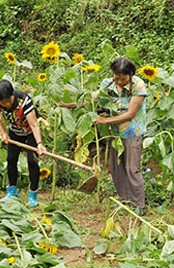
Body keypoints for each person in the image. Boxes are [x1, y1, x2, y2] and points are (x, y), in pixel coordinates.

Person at [62, 57, 147, 214]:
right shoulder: (108, 84)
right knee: (117, 168)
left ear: (131, 74)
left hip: (132, 132)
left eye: (123, 77)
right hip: (114, 133)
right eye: (117, 76)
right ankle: (124, 199)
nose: (119, 81)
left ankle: (139, 204)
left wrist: (104, 120)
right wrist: (67, 105)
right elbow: (90, 100)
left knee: (132, 168)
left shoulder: (139, 86)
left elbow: (131, 114)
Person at [0, 79, 47, 207]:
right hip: (15, 131)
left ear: (12, 94)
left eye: (8, 101)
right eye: (3, 102)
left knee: (32, 161)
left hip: (30, 132)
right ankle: (12, 191)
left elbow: (34, 125)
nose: (6, 105)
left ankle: (33, 195)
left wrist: (39, 144)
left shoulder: (24, 101)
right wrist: (3, 133)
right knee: (11, 159)